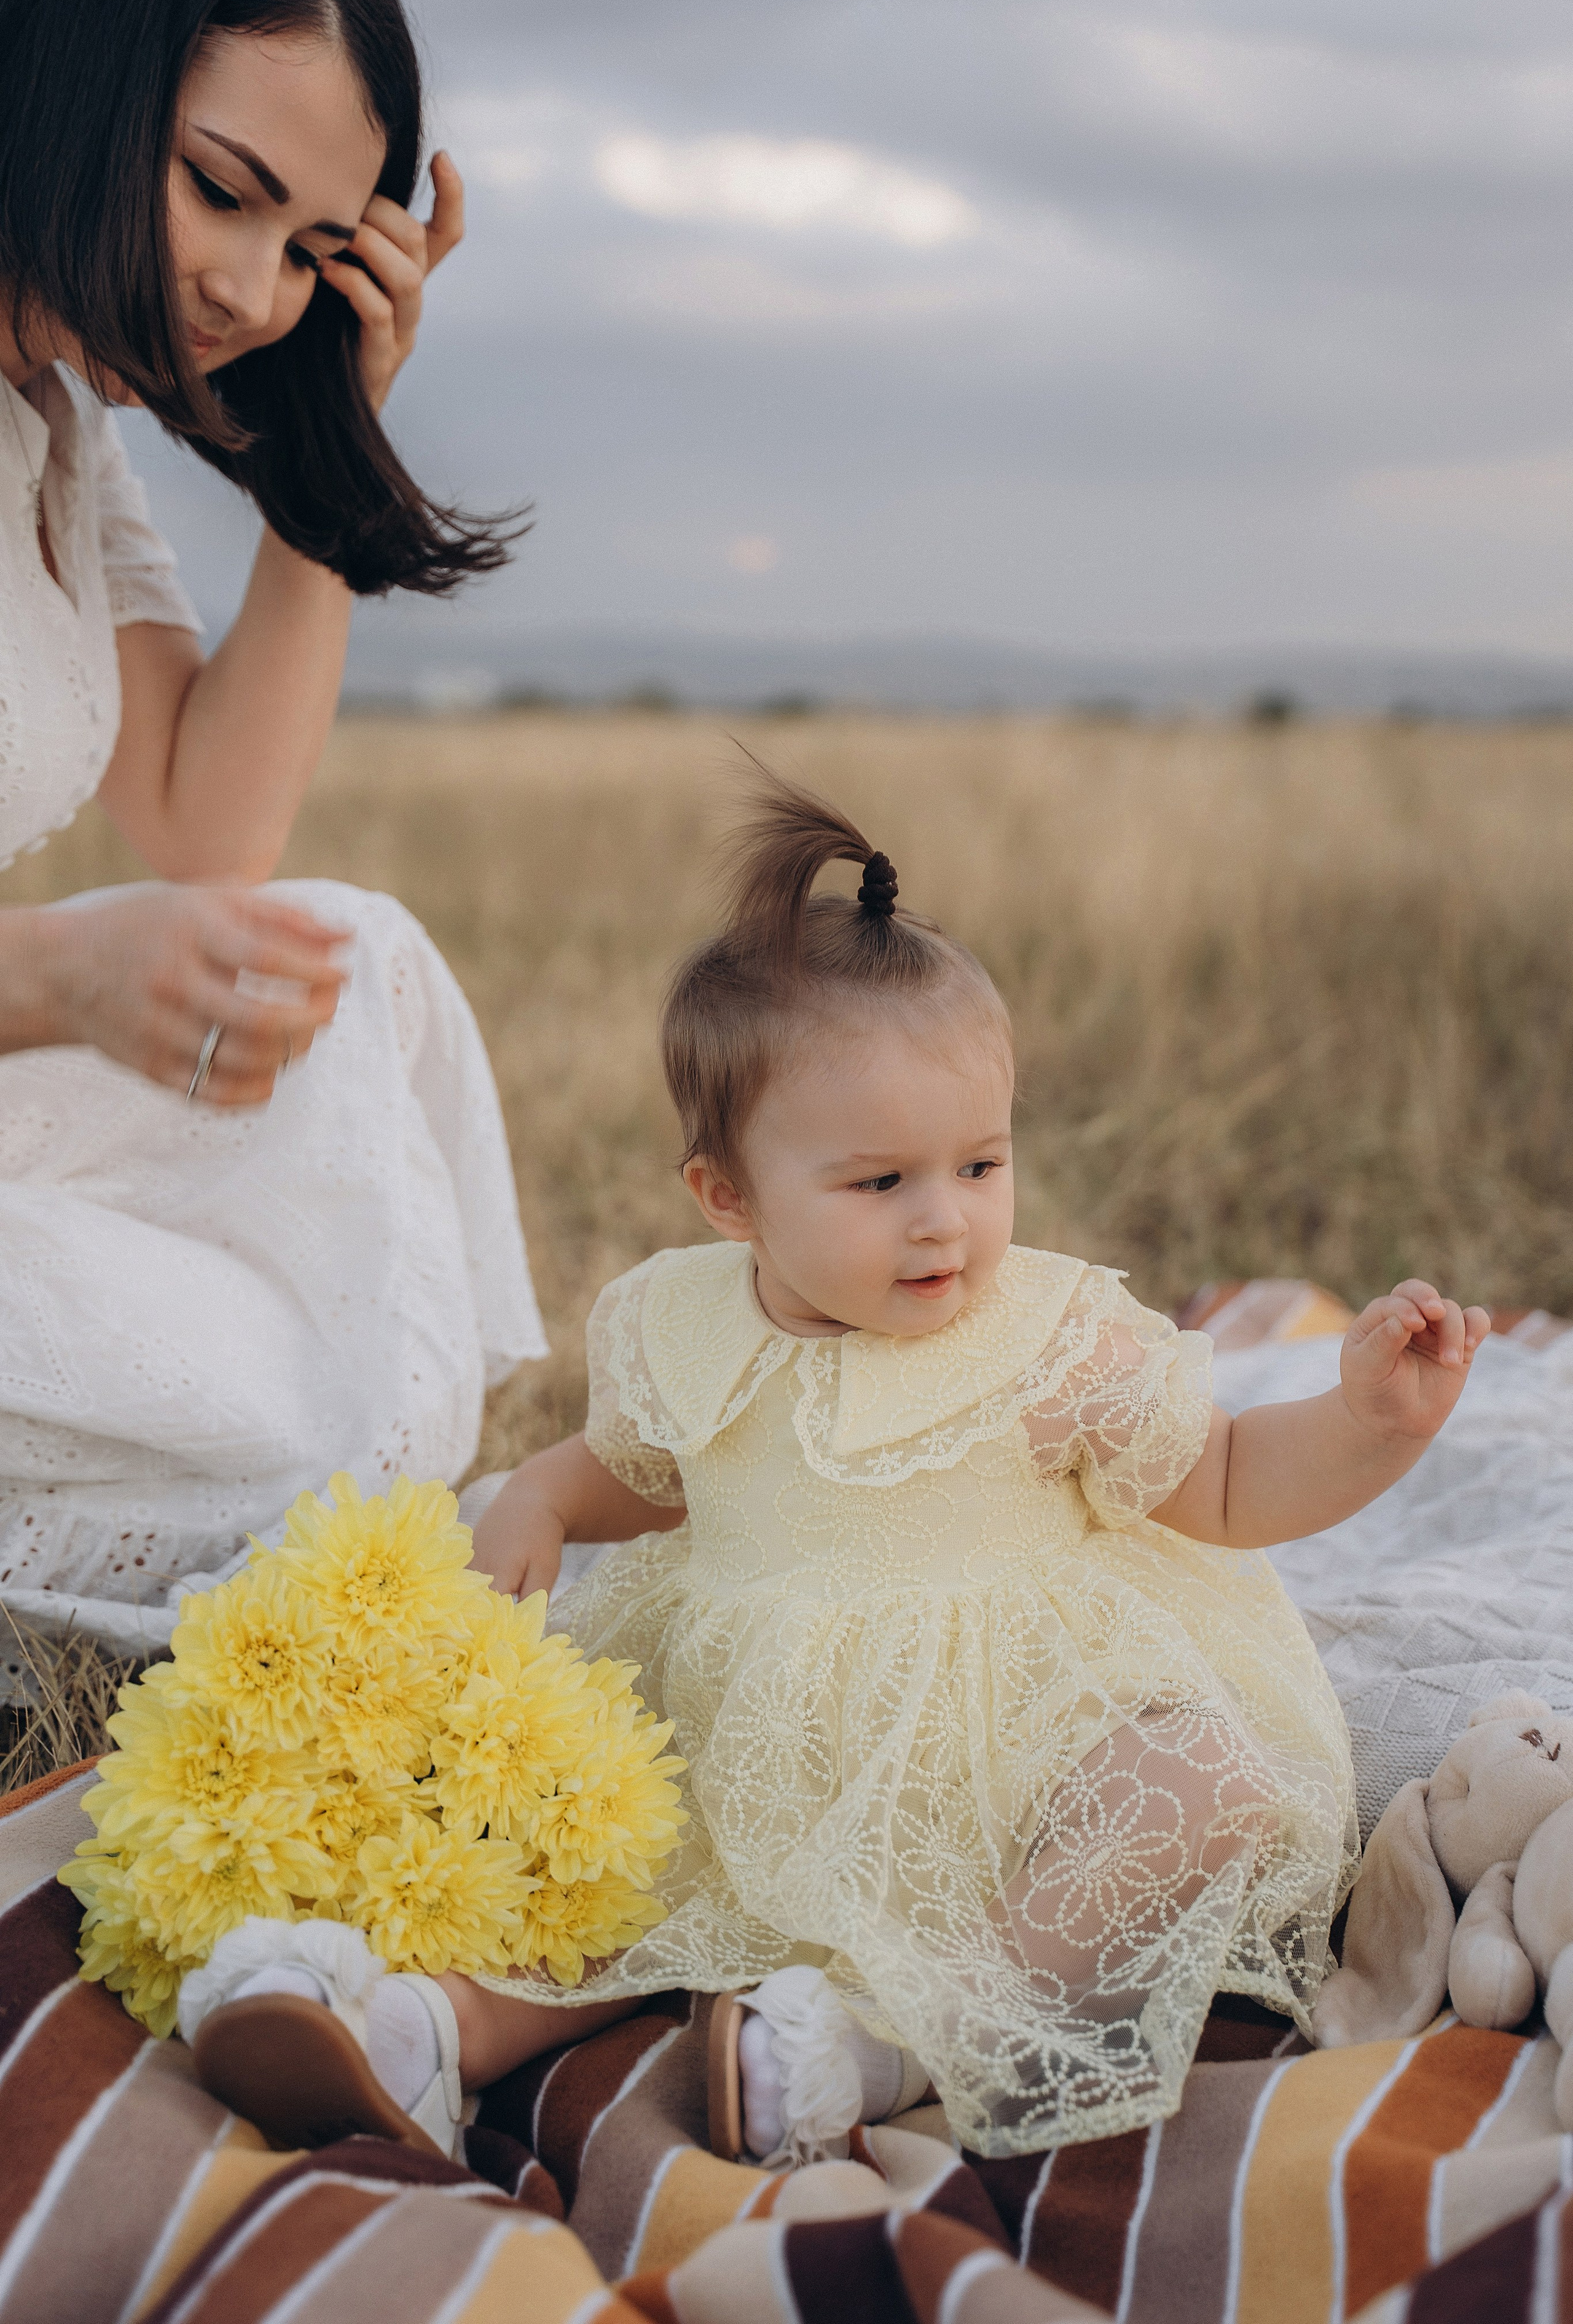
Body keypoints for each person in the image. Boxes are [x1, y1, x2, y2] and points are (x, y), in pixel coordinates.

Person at [183, 768, 1489, 2166]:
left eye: (979, 1166)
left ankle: (902, 2035)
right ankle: (422, 2033)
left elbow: (1224, 1481)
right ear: (728, 1197)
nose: (945, 1224)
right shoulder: (685, 1323)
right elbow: (651, 1469)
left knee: (1198, 1785)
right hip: (754, 1736)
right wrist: (546, 1494)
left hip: (1011, 1748)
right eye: (880, 1183)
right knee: (604, 1872)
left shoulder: (1045, 1338)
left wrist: (1369, 1422)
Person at [0, 0, 544, 1684]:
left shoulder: (53, 425)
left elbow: (208, 828)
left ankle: (317, 1507)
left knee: (350, 960)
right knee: (262, 1403)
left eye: (311, 247)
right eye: (220, 189)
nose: (250, 290)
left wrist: (334, 436)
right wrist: (57, 977)